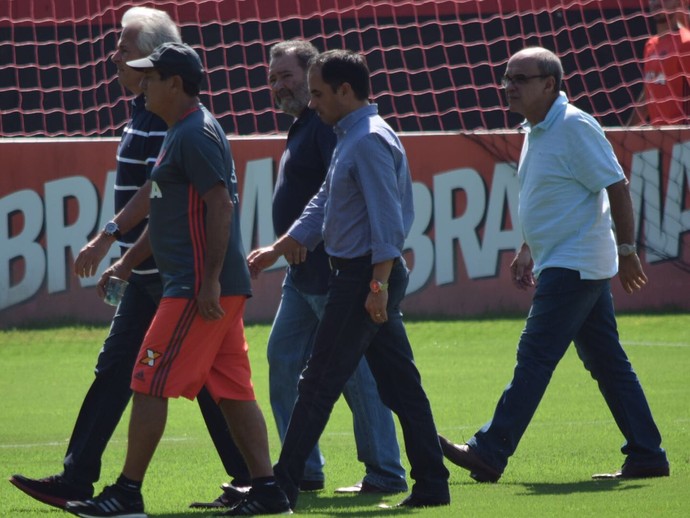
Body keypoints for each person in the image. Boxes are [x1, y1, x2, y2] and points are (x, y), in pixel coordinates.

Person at [8, 7, 250, 512]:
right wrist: (116, 246)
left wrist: (125, 245)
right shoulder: (151, 114)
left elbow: (184, 200)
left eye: (125, 45)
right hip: (150, 271)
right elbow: (160, 193)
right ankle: (82, 478)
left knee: (170, 375)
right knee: (130, 369)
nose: (115, 53)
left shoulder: (181, 123)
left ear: (161, 69)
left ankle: (147, 489)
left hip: (174, 274)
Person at [64, 42, 290, 517]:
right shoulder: (180, 131)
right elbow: (166, 208)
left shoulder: (193, 133)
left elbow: (221, 205)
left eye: (152, 76)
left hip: (195, 289)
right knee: (232, 391)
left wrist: (207, 280)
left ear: (176, 84)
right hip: (206, 286)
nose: (142, 84)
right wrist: (123, 259)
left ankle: (127, 493)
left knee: (147, 380)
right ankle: (268, 491)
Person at [439, 46, 669, 483]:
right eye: (506, 77)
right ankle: (648, 454)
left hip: (575, 263)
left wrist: (627, 251)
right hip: (562, 260)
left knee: (535, 356)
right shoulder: (537, 128)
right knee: (607, 362)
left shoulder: (574, 125)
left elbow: (617, 187)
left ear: (550, 84)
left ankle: (489, 451)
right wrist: (527, 248)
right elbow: (547, 196)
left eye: (520, 78)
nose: (509, 86)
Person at [248, 49, 450, 510]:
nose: (312, 102)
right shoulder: (348, 136)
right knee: (400, 385)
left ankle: (280, 487)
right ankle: (433, 484)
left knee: (318, 381)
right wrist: (281, 247)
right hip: (361, 277)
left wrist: (377, 286)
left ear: (345, 90)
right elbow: (323, 203)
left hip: (363, 278)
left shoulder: (368, 140)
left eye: (318, 93)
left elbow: (387, 223)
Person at [260, 38, 407, 495]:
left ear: (314, 80)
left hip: (332, 271)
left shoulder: (333, 127)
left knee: (356, 374)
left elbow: (346, 204)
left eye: (288, 76)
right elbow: (324, 197)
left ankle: (385, 470)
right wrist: (285, 245)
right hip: (301, 273)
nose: (278, 85)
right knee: (282, 359)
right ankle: (302, 467)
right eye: (272, 78)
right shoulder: (310, 124)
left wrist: (366, 277)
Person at [628, 0, 690, 125]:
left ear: (679, 3)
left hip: (683, 139)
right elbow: (648, 94)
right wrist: (626, 133)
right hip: (658, 138)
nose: (658, 1)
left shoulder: (686, 44)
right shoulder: (650, 45)